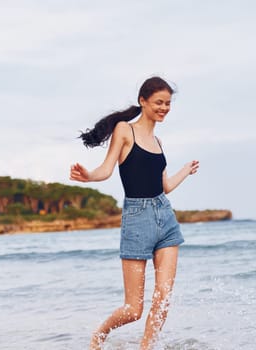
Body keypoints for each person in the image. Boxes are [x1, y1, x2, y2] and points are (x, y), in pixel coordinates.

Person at [69, 76, 199, 350]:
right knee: (133, 309)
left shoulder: (158, 140)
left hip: (165, 217)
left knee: (163, 296)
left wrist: (185, 171)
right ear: (143, 101)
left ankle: (146, 347)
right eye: (159, 102)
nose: (164, 108)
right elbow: (106, 169)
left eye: (168, 103)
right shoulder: (124, 130)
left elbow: (164, 186)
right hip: (137, 219)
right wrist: (88, 176)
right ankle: (99, 335)